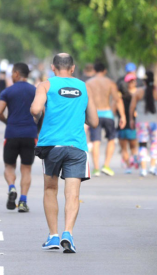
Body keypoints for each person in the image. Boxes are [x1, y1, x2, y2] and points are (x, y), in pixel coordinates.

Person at [31, 53, 98, 253]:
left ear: (53, 68)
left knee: (50, 190)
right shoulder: (84, 87)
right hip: (76, 147)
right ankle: (68, 233)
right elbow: (94, 122)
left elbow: (35, 109)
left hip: (52, 146)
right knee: (73, 194)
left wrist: (43, 112)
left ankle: (53, 236)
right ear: (72, 68)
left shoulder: (45, 85)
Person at [0, 63, 37, 212]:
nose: (11, 76)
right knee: (26, 170)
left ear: (17, 74)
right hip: (30, 135)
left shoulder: (8, 91)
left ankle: (12, 188)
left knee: (9, 166)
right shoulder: (35, 90)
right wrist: (37, 129)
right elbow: (42, 112)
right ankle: (23, 201)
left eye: (12, 73)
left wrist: (9, 122)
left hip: (12, 134)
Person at [87, 62, 126, 176]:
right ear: (104, 71)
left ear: (94, 70)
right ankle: (106, 166)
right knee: (111, 139)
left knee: (96, 141)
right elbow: (117, 100)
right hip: (108, 114)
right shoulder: (110, 83)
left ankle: (96, 169)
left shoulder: (88, 83)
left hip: (94, 114)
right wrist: (123, 116)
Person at [129, 71, 157, 177]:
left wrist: (131, 119)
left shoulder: (138, 92)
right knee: (154, 144)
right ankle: (152, 167)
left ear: (144, 81)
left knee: (142, 144)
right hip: (154, 122)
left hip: (141, 122)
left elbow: (132, 107)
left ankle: (143, 169)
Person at [118, 73, 139, 174]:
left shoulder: (138, 93)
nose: (132, 83)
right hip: (124, 124)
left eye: (133, 81)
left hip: (132, 124)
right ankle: (129, 165)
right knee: (125, 147)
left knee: (133, 146)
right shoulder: (122, 96)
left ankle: (133, 161)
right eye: (130, 81)